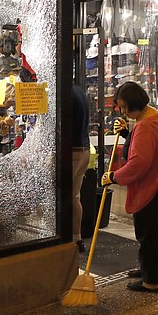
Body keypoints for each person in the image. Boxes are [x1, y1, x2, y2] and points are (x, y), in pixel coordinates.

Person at [101, 81, 158, 293]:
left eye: (125, 107)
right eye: (121, 108)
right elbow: (143, 146)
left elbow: (138, 163)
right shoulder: (151, 115)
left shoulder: (145, 125)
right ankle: (147, 268)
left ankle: (150, 281)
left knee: (149, 232)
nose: (123, 112)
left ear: (135, 103)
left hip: (157, 182)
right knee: (152, 231)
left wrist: (114, 176)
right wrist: (127, 134)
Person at [72, 85, 91, 253]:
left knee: (65, 196)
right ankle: (76, 238)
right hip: (84, 149)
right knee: (74, 196)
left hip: (72, 151)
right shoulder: (80, 91)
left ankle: (69, 239)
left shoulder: (66, 94)